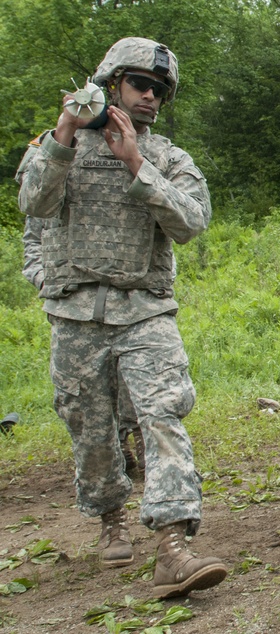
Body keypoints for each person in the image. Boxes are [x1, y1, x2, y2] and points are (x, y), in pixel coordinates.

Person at [15, 37, 226, 598]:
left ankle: (174, 546)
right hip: (76, 314)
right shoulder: (57, 146)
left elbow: (192, 222)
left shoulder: (168, 159)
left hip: (145, 311)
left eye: (160, 90)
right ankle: (110, 517)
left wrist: (136, 164)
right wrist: (63, 134)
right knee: (91, 429)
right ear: (112, 84)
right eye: (141, 84)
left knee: (162, 415)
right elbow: (33, 205)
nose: (151, 96)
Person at [22, 216, 146, 476]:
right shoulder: (48, 188)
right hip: (74, 310)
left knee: (138, 379)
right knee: (89, 391)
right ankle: (119, 448)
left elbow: (151, 243)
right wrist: (46, 280)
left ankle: (143, 444)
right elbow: (34, 243)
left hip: (131, 303)